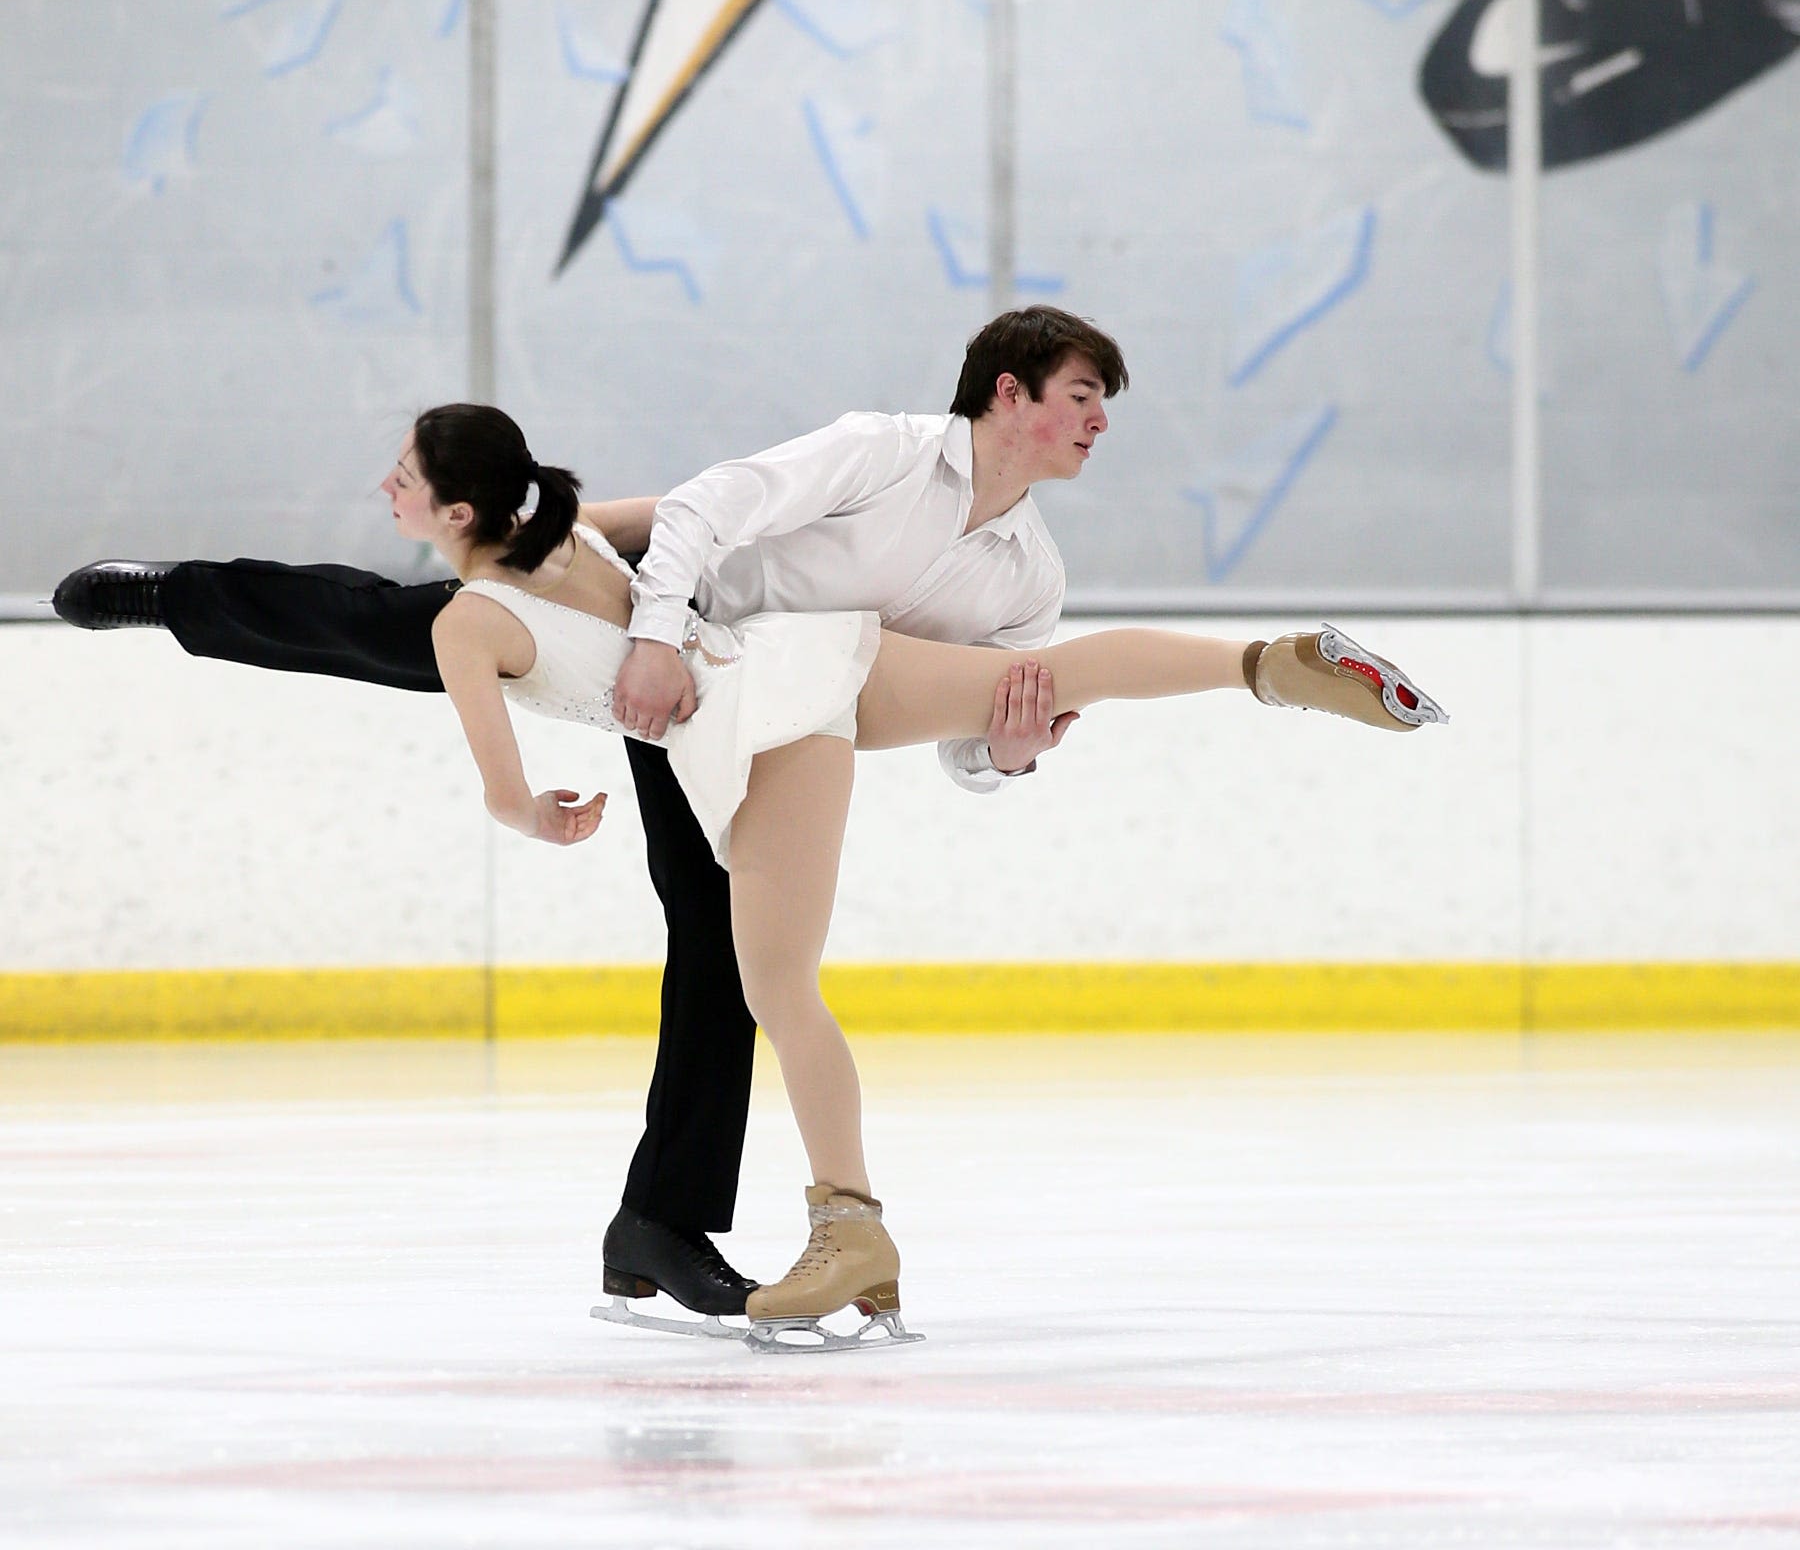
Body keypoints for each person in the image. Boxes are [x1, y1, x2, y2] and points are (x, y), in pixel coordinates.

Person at [52, 306, 1133, 1323]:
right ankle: (175, 594)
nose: (1098, 421)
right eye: (1082, 395)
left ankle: (656, 1227)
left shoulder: (1031, 578)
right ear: (1008, 393)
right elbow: (706, 509)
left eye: (1105, 405)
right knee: (431, 625)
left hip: (747, 708)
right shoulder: (890, 450)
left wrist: (1009, 754)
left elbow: (968, 740)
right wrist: (651, 629)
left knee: (720, 951)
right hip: (674, 601)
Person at [391, 396, 1444, 1340]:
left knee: (779, 988)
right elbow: (679, 515)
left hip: (756, 724)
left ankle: (850, 1229)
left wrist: (541, 816)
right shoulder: (572, 533)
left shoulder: (464, 622)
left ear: (453, 515)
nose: (385, 488)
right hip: (809, 651)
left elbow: (502, 790)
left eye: (403, 477)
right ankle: (1266, 665)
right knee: (1044, 677)